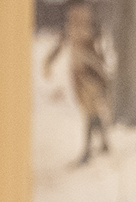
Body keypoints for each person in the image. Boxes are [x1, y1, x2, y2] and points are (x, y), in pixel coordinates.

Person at [43, 0, 113, 165]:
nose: (76, 19)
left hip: (90, 75)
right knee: (89, 110)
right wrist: (49, 62)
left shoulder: (91, 31)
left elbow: (97, 56)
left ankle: (88, 150)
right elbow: (60, 44)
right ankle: (104, 143)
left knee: (90, 110)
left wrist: (101, 73)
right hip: (77, 74)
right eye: (73, 16)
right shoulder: (71, 26)